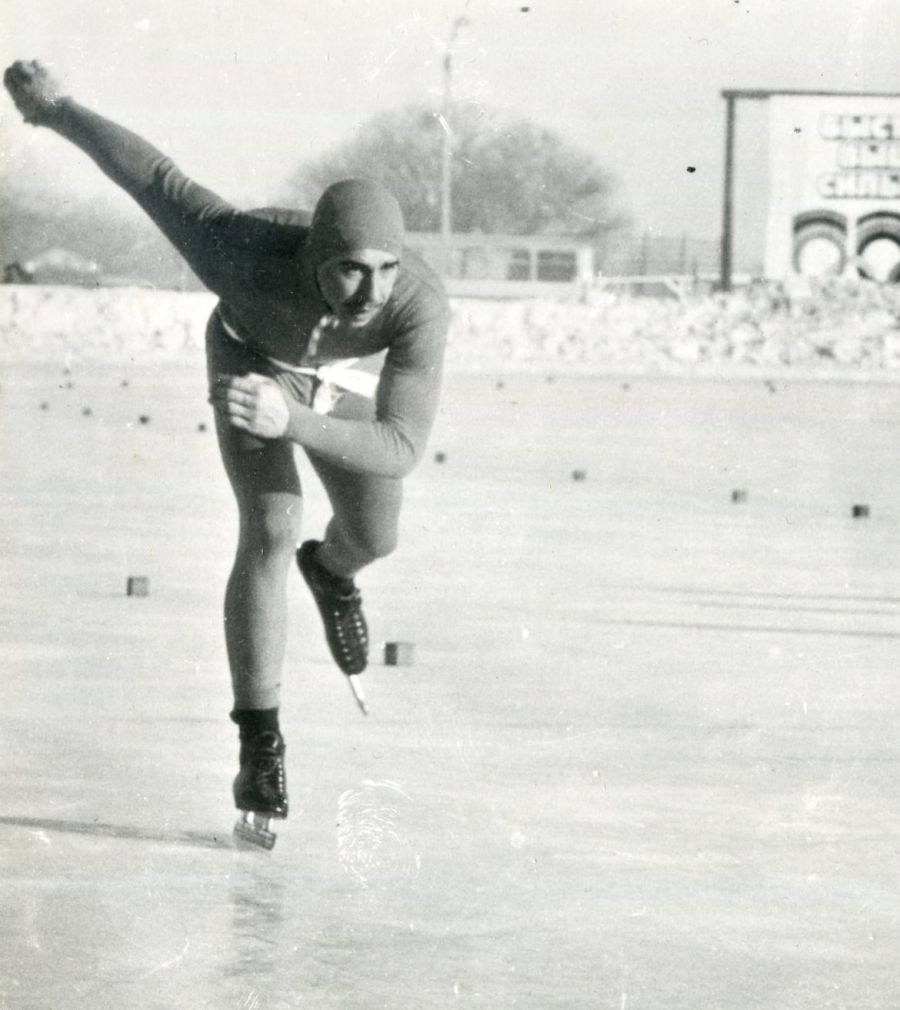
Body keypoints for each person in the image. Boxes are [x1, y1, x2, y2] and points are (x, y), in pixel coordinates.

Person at [3, 60, 450, 844]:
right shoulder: (239, 247)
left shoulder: (418, 306)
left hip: (328, 385)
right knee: (274, 524)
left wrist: (298, 420)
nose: (371, 291)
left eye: (385, 270)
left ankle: (334, 571)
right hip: (249, 360)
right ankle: (260, 743)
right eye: (350, 269)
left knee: (377, 535)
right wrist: (56, 111)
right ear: (315, 256)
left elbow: (402, 444)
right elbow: (150, 176)